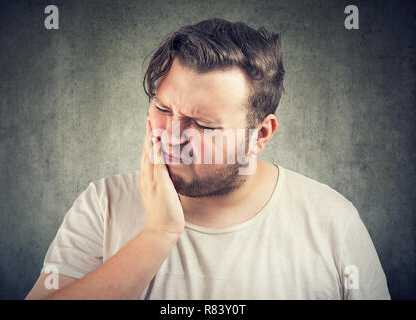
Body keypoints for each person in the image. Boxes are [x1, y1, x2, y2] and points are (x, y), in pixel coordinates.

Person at [25, 18, 390, 300]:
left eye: (202, 125)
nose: (170, 136)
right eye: (163, 108)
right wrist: (159, 233)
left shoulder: (333, 223)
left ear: (259, 135)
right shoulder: (103, 204)